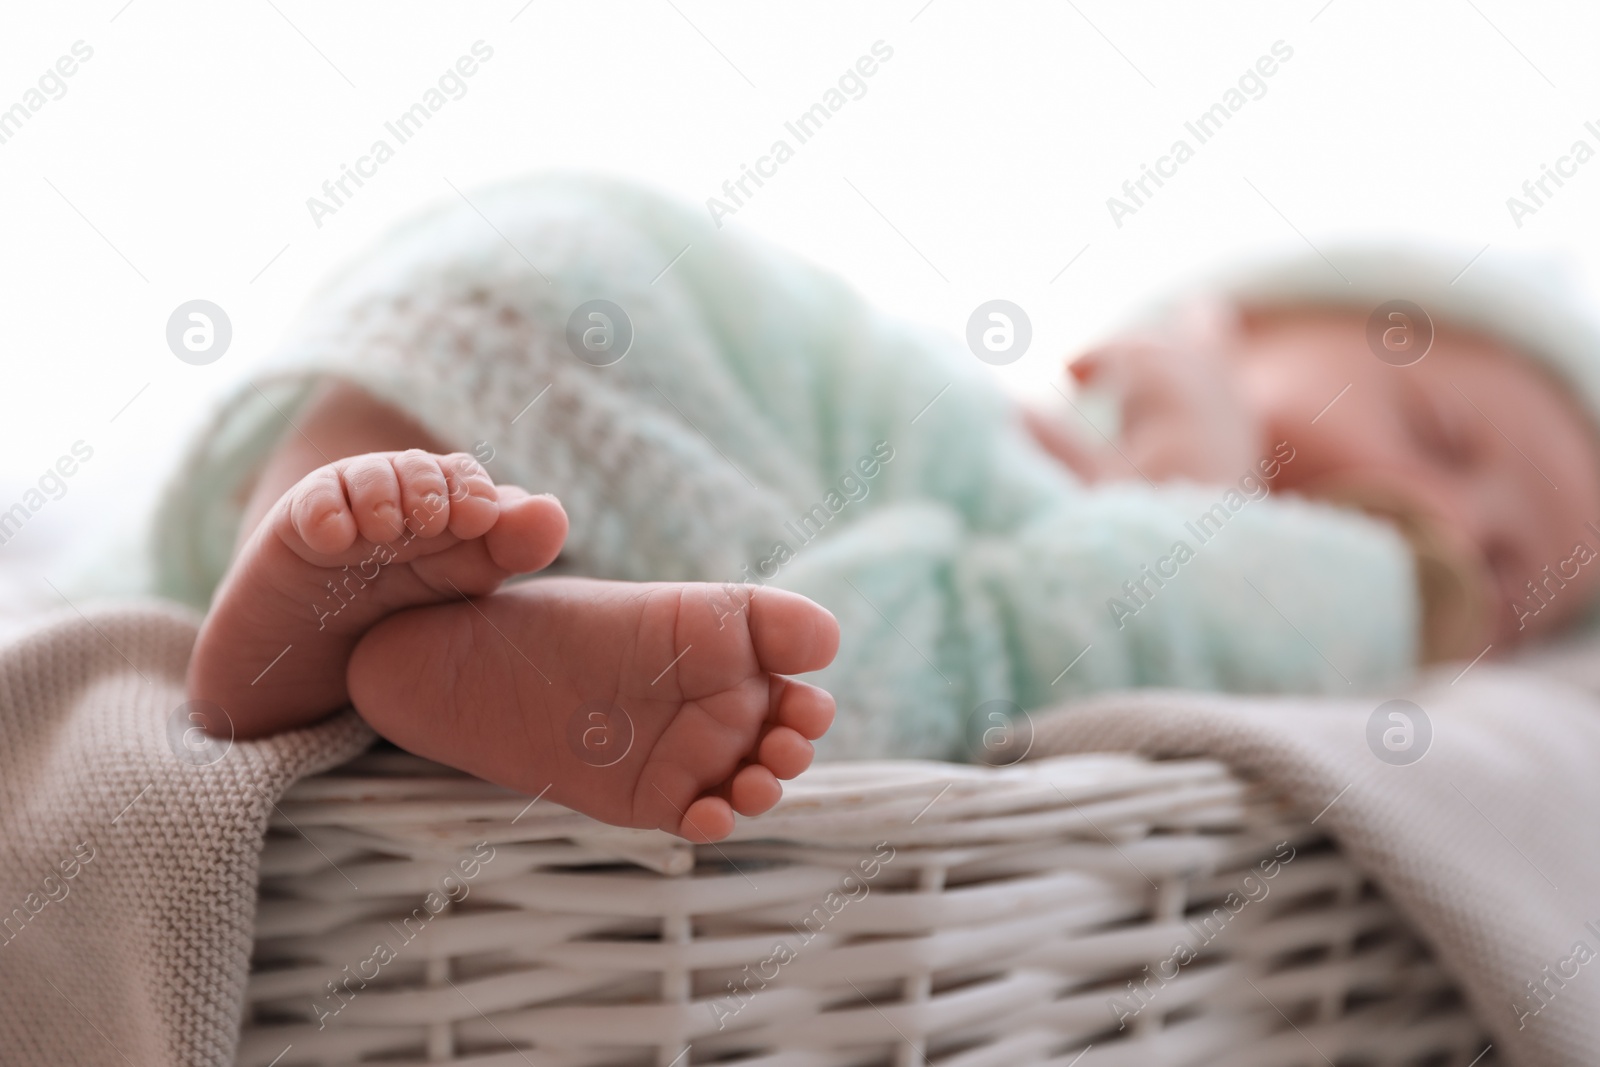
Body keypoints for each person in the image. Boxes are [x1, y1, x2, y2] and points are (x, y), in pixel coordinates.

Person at [154, 175, 1600, 842]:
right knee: (440, 391)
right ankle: (299, 581)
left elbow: (1083, 589)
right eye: (1436, 425)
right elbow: (1120, 563)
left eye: (1501, 561)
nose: (1430, 516)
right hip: (668, 323)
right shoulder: (1092, 423)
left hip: (688, 565)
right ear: (1246, 318)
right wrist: (1195, 458)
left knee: (451, 509)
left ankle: (461, 644)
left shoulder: (1231, 569)